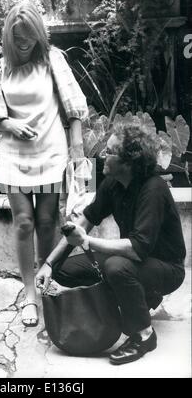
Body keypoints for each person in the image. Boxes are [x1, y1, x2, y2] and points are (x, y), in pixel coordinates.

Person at [36, 123, 186, 364]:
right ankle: (139, 299)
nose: (102, 155)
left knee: (116, 267)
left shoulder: (153, 189)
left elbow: (137, 249)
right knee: (64, 270)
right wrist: (49, 264)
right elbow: (84, 223)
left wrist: (87, 241)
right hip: (135, 260)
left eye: (109, 152)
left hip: (166, 269)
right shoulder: (113, 183)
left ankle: (144, 335)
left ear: (129, 161)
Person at [0, 2, 88, 327]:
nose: (24, 42)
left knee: (46, 222)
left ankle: (46, 281)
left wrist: (77, 150)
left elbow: (75, 108)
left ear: (38, 34)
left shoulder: (52, 60)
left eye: (30, 36)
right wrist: (8, 125)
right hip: (14, 155)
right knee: (23, 223)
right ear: (9, 36)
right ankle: (29, 294)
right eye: (18, 37)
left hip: (50, 152)